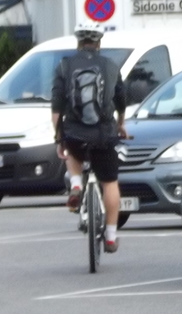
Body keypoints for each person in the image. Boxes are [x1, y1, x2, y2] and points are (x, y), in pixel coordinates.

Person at [52, 21, 128, 253]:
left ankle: (76, 185)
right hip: (104, 134)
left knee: (72, 147)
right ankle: (111, 237)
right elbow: (121, 101)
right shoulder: (111, 66)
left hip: (75, 133)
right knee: (110, 183)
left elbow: (56, 110)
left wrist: (59, 139)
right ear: (99, 42)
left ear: (78, 42)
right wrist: (120, 124)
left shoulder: (64, 66)